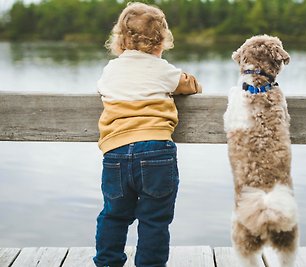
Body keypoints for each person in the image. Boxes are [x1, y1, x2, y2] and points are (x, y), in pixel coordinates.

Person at [93, 2, 202, 267]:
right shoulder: (163, 69)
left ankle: (108, 263)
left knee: (114, 215)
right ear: (161, 41)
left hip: (116, 152)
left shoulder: (111, 70)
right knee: (154, 219)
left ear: (120, 40)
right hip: (156, 151)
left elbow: (103, 89)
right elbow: (191, 85)